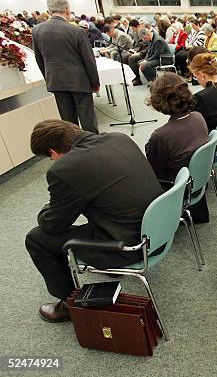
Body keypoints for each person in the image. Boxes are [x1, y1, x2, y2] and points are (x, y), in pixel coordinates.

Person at [25, 120, 163, 322]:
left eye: (49, 157)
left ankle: (69, 304)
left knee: (36, 238)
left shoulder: (65, 169)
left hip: (129, 247)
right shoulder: (119, 137)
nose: (52, 161)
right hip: (158, 230)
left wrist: (46, 209)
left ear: (53, 151)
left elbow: (53, 225)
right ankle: (108, 269)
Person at [145, 73, 210, 222]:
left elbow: (154, 171)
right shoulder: (198, 117)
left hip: (176, 187)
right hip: (198, 180)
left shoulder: (161, 135)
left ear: (158, 101)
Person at [32, 0, 100, 134]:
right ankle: (93, 149)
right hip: (80, 81)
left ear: (49, 10)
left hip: (56, 81)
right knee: (88, 120)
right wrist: (95, 82)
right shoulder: (77, 31)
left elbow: (39, 59)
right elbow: (89, 60)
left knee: (68, 122)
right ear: (67, 9)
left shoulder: (37, 30)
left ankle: (73, 149)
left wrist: (49, 79)